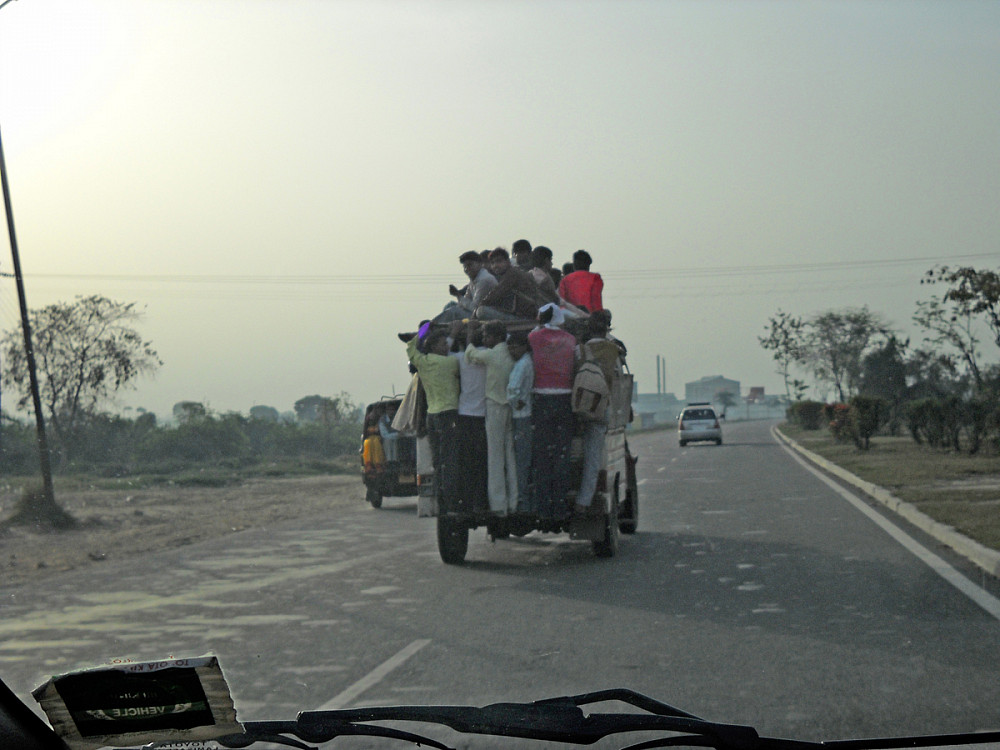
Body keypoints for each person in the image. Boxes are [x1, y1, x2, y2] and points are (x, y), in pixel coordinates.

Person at [528, 303, 577, 519]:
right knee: (561, 454)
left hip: (541, 399)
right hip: (565, 399)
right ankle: (559, 504)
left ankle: (543, 506)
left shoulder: (534, 338)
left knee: (542, 455)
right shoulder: (571, 340)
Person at [465, 320, 518, 515]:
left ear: (495, 337)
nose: (485, 339)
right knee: (510, 456)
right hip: (510, 408)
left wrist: (470, 337)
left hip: (495, 407)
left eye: (487, 336)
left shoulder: (493, 354)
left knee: (495, 456)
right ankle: (513, 501)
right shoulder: (511, 354)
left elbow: (470, 355)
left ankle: (498, 505)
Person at [574, 310, 623, 516]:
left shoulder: (580, 350)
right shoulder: (614, 350)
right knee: (593, 457)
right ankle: (584, 501)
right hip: (601, 408)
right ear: (606, 330)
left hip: (580, 407)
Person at [404, 329, 460, 510]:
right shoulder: (450, 362)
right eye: (443, 344)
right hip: (448, 414)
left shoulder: (422, 362)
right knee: (450, 456)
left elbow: (411, 348)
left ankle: (439, 491)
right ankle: (450, 493)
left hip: (432, 415)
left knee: (437, 458)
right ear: (435, 346)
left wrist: (422, 331)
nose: (446, 346)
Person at [449, 321, 489, 514]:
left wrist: (454, 333)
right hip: (484, 418)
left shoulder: (461, 359)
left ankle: (466, 502)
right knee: (482, 462)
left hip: (464, 417)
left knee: (466, 463)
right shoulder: (491, 358)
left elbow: (442, 354)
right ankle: (481, 502)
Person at [476, 248, 548, 321]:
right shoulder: (512, 272)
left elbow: (494, 295)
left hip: (524, 318)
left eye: (499, 261)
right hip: (521, 314)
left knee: (481, 311)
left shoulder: (512, 274)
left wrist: (477, 308)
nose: (495, 266)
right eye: (492, 263)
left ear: (508, 262)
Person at [506, 331, 534, 513]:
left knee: (520, 461)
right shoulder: (528, 361)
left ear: (523, 346)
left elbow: (513, 389)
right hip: (526, 415)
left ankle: (521, 500)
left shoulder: (521, 364)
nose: (511, 351)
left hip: (520, 417)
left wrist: (515, 402)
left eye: (514, 347)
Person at [432, 251, 498, 324]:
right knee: (450, 305)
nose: (467, 269)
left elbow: (474, 308)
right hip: (474, 312)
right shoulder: (474, 278)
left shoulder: (484, 279)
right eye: (465, 267)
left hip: (485, 316)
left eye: (470, 265)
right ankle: (432, 326)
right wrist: (459, 297)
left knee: (453, 312)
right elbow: (466, 299)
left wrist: (458, 296)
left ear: (480, 264)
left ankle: (431, 327)